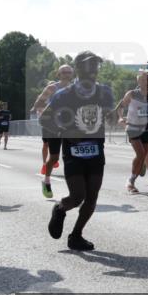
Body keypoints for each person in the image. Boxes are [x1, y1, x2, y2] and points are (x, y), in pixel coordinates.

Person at [41, 51, 115, 251]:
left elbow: (111, 116)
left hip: (96, 151)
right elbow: (44, 120)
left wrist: (113, 117)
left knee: (92, 198)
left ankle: (76, 236)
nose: (93, 70)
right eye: (89, 66)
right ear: (79, 69)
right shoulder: (64, 94)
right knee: (77, 197)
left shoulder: (104, 92)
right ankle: (60, 208)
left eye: (96, 66)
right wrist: (65, 131)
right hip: (73, 153)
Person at [30, 65, 74, 198]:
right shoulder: (51, 88)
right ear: (58, 74)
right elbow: (38, 104)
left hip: (69, 126)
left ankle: (74, 187)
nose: (66, 74)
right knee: (54, 157)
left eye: (69, 72)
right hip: (52, 126)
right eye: (64, 72)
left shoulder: (75, 89)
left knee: (72, 157)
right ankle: (46, 180)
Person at [114, 70, 148, 194]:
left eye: (147, 80)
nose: (145, 82)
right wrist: (121, 118)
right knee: (140, 154)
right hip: (133, 127)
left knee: (144, 155)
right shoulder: (132, 94)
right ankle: (130, 181)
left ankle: (137, 171)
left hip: (147, 127)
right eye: (142, 80)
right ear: (138, 81)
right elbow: (121, 107)